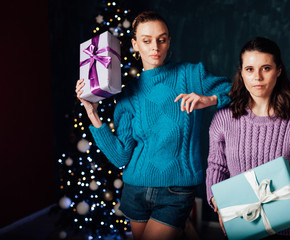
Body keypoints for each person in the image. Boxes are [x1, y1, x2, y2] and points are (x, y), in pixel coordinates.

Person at [75, 11, 231, 240]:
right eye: (146, 41)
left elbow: (236, 92)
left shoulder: (191, 74)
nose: (155, 46)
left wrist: (209, 99)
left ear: (169, 42)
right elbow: (120, 156)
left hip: (177, 190)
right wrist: (92, 112)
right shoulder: (128, 94)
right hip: (135, 189)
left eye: (162, 39)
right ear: (135, 44)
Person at [206, 37, 290, 240]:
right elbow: (216, 166)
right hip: (243, 225)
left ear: (278, 70)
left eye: (266, 68)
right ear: (241, 72)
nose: (257, 77)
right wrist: (217, 202)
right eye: (249, 69)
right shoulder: (223, 119)